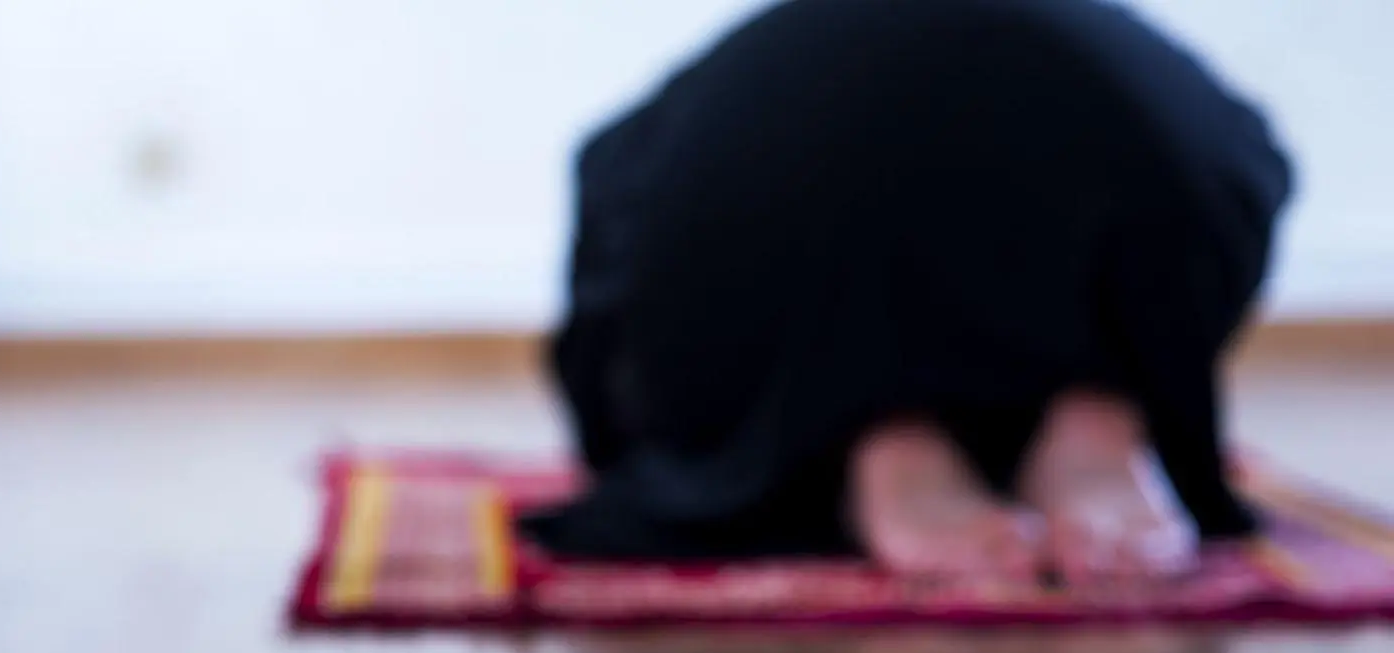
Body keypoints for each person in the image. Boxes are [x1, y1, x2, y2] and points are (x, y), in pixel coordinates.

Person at [522, 0, 1293, 584]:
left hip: (782, 123)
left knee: (739, 169)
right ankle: (1092, 397)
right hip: (1129, 106)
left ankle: (876, 419)